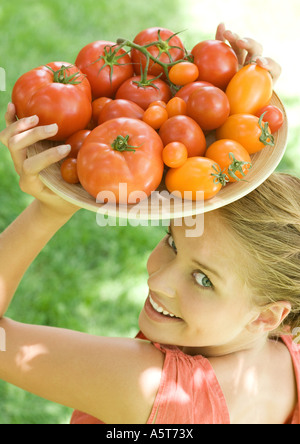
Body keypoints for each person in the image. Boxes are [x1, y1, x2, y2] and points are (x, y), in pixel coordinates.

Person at [0, 25, 299, 425]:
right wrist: (232, 103)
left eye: (204, 279)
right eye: (172, 243)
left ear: (266, 316)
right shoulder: (284, 347)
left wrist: (48, 210)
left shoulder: (147, 386)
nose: (156, 281)